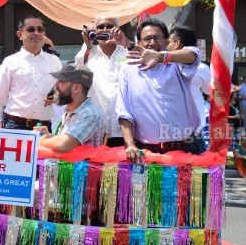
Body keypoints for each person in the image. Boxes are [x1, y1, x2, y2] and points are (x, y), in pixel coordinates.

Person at [115, 18, 202, 161]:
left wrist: (162, 57)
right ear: (139, 42)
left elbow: (194, 54)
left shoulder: (177, 64)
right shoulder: (128, 69)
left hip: (186, 148)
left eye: (157, 38)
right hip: (147, 152)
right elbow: (124, 111)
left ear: (166, 41)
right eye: (147, 39)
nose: (152, 43)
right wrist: (130, 145)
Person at [0, 14, 61, 131]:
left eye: (40, 29)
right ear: (20, 34)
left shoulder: (54, 61)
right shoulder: (10, 62)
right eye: (31, 29)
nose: (36, 33)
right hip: (15, 126)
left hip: (44, 128)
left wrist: (57, 98)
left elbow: (64, 92)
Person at [76, 14, 132, 148]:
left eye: (109, 26)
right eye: (100, 27)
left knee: (125, 168)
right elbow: (79, 67)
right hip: (96, 129)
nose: (104, 29)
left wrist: (125, 42)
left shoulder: (128, 52)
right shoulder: (89, 54)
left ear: (117, 29)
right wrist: (88, 45)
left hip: (126, 129)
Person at [38, 63, 105, 152]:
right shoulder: (68, 112)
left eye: (61, 81)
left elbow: (64, 145)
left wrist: (39, 140)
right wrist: (48, 136)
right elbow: (62, 143)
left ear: (77, 88)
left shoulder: (90, 113)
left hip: (83, 166)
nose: (55, 85)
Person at [170, 26, 210, 151]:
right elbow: (209, 91)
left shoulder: (165, 66)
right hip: (193, 128)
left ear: (177, 43)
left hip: (170, 128)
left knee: (171, 169)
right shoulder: (202, 68)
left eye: (168, 43)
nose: (166, 46)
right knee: (198, 169)